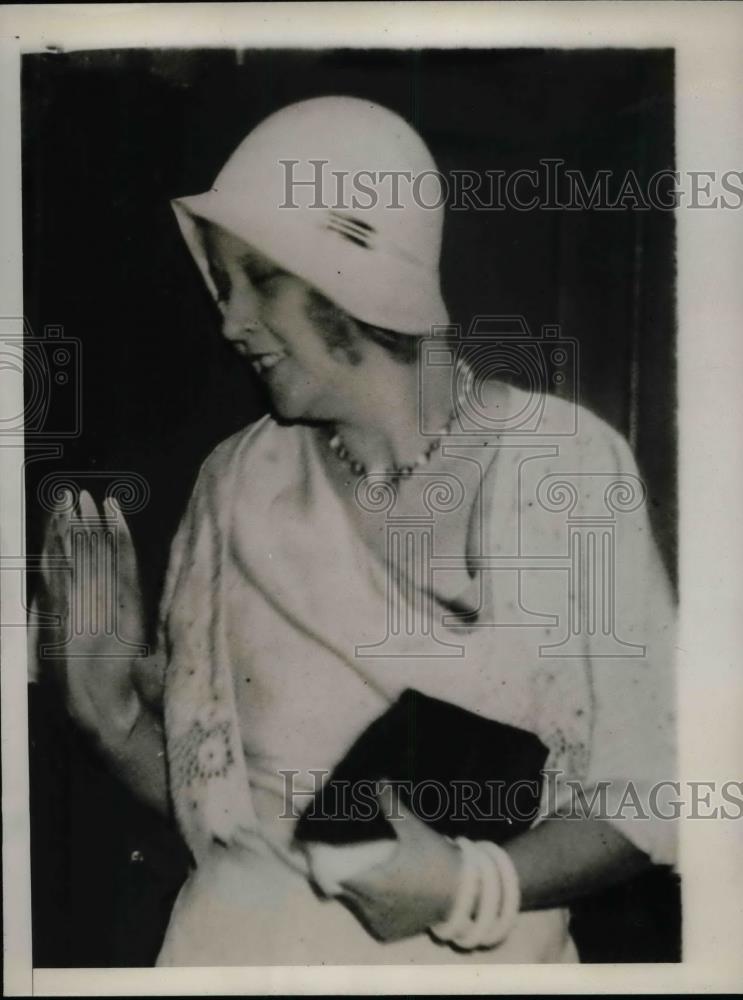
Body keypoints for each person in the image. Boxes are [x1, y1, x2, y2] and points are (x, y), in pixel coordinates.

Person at [32, 96, 676, 965]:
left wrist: (467, 884)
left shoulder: (565, 468)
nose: (231, 323)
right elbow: (235, 829)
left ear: (358, 269)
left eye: (260, 280)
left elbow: (651, 794)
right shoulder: (236, 480)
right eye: (225, 286)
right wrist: (106, 713)